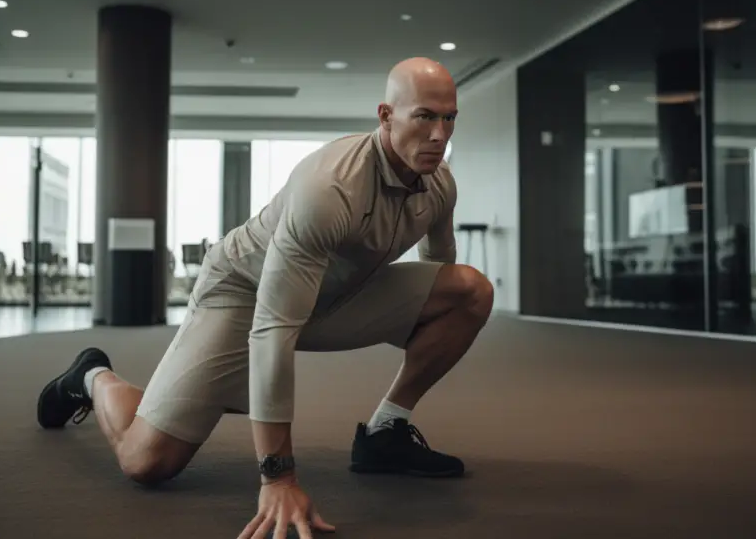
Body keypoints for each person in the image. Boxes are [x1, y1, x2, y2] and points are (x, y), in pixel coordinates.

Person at [36, 57, 494, 538]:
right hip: (243, 295)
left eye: (449, 118)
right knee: (146, 462)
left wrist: (422, 331)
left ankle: (387, 432)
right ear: (386, 116)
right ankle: (90, 375)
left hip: (337, 294)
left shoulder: (440, 184)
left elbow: (441, 271)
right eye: (425, 116)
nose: (440, 134)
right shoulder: (330, 187)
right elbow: (273, 327)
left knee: (469, 290)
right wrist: (278, 475)